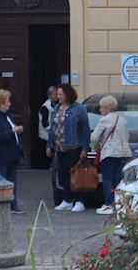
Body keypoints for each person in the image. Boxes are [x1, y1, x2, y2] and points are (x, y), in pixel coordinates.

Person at [52, 84, 92, 212]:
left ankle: (79, 201)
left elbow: (85, 129)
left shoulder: (79, 109)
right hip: (59, 146)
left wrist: (85, 147)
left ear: (68, 94)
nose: (58, 97)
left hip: (74, 146)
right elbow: (52, 128)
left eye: (60, 94)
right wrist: (49, 144)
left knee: (75, 174)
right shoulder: (56, 108)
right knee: (63, 174)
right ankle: (67, 199)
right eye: (57, 94)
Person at [90, 95, 131, 216]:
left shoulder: (104, 120)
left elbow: (94, 137)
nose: (100, 110)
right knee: (118, 178)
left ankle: (108, 204)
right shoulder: (123, 120)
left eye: (102, 107)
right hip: (123, 153)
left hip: (109, 153)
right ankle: (119, 204)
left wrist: (96, 147)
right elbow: (127, 136)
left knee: (107, 179)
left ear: (107, 108)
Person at [0, 89, 25, 213]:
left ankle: (13, 205)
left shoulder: (7, 115)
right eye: (7, 101)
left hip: (12, 155)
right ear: (1, 103)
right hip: (2, 157)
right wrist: (12, 131)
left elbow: (11, 129)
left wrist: (18, 130)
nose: (10, 103)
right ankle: (3, 207)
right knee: (2, 182)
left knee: (12, 182)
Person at [37, 84, 57, 169]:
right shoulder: (46, 107)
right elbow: (45, 123)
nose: (56, 96)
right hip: (45, 134)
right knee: (47, 150)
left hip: (52, 133)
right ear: (49, 95)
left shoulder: (57, 104)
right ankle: (46, 166)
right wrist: (52, 131)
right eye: (54, 94)